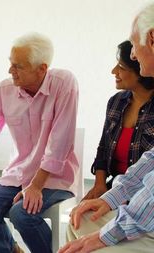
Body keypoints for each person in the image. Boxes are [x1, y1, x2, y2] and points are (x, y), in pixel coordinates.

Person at [0, 32, 79, 253]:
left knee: (22, 215)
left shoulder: (64, 84)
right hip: (17, 173)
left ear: (42, 69)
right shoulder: (3, 90)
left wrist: (36, 185)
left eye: (18, 66)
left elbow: (60, 141)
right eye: (10, 63)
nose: (10, 71)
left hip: (54, 178)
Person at [59, 4, 154, 253]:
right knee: (80, 220)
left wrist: (106, 235)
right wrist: (108, 195)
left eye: (134, 45)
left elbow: (149, 196)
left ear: (152, 39)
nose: (133, 54)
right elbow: (150, 161)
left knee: (91, 243)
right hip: (134, 199)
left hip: (146, 211)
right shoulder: (118, 102)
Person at [83, 40, 154, 201]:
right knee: (78, 218)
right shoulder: (116, 102)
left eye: (121, 67)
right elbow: (103, 149)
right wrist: (99, 185)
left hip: (145, 195)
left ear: (141, 71)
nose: (114, 71)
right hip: (114, 187)